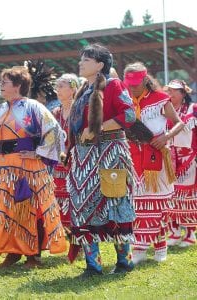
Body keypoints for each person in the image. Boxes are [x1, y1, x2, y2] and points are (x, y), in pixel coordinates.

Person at [67, 43, 137, 276]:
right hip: (84, 155)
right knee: (82, 205)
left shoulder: (113, 84)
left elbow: (128, 114)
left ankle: (124, 261)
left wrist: (97, 128)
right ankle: (93, 265)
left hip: (110, 152)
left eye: (86, 60)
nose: (81, 63)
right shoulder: (83, 90)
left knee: (115, 203)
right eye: (81, 59)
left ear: (99, 65)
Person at [0, 66, 67, 268]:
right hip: (4, 168)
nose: (1, 86)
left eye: (5, 82)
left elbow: (55, 130)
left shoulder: (32, 107)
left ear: (17, 86)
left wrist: (38, 152)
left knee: (29, 207)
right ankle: (13, 251)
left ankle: (33, 254)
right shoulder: (1, 109)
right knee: (7, 209)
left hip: (27, 166)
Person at [123, 62, 184, 264]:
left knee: (156, 204)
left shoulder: (160, 100)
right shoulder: (125, 100)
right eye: (129, 82)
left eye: (136, 82)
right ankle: (139, 247)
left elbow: (179, 123)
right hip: (132, 157)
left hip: (155, 155)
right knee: (137, 205)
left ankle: (160, 246)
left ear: (145, 79)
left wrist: (165, 138)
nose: (132, 86)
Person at [165, 79, 197, 247]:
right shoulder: (165, 110)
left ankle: (191, 233)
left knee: (188, 197)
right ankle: (175, 231)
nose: (170, 93)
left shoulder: (194, 109)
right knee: (171, 196)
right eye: (168, 90)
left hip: (188, 159)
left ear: (183, 93)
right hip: (169, 159)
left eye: (174, 90)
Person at [52, 73, 79, 230]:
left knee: (76, 198)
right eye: (57, 86)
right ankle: (68, 233)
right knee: (59, 198)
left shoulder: (79, 110)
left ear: (73, 88)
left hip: (77, 162)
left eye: (61, 86)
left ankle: (78, 236)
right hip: (59, 162)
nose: (58, 89)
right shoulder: (55, 112)